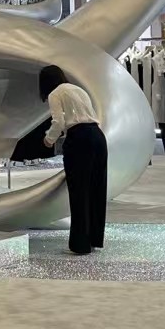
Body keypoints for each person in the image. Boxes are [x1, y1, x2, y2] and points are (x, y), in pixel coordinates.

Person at [40, 64, 108, 256]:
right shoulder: (78, 89)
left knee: (79, 191)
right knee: (97, 189)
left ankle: (80, 243)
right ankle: (94, 238)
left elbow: (58, 122)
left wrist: (49, 139)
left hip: (79, 139)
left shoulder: (55, 94)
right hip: (98, 136)